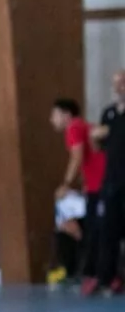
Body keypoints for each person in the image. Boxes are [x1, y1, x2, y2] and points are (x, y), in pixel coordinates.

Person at [48, 98, 106, 286]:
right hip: (96, 186)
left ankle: (81, 268)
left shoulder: (73, 127)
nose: (52, 120)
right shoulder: (84, 126)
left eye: (54, 115)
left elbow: (77, 156)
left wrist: (65, 184)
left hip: (101, 186)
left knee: (64, 215)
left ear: (66, 115)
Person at [90, 69, 125, 296]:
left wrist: (110, 130)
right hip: (112, 180)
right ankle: (106, 277)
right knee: (107, 229)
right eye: (116, 83)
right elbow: (98, 146)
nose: (119, 86)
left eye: (122, 82)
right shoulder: (109, 113)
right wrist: (95, 137)